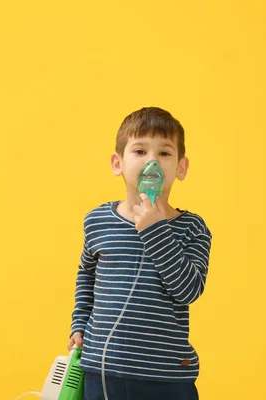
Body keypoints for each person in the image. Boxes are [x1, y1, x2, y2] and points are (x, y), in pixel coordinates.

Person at [67, 107, 212, 400]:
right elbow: (87, 275)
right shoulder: (97, 221)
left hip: (165, 376)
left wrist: (156, 230)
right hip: (103, 368)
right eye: (140, 151)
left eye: (165, 153)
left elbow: (188, 290)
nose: (152, 162)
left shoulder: (192, 228)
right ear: (117, 163)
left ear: (181, 168)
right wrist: (79, 323)